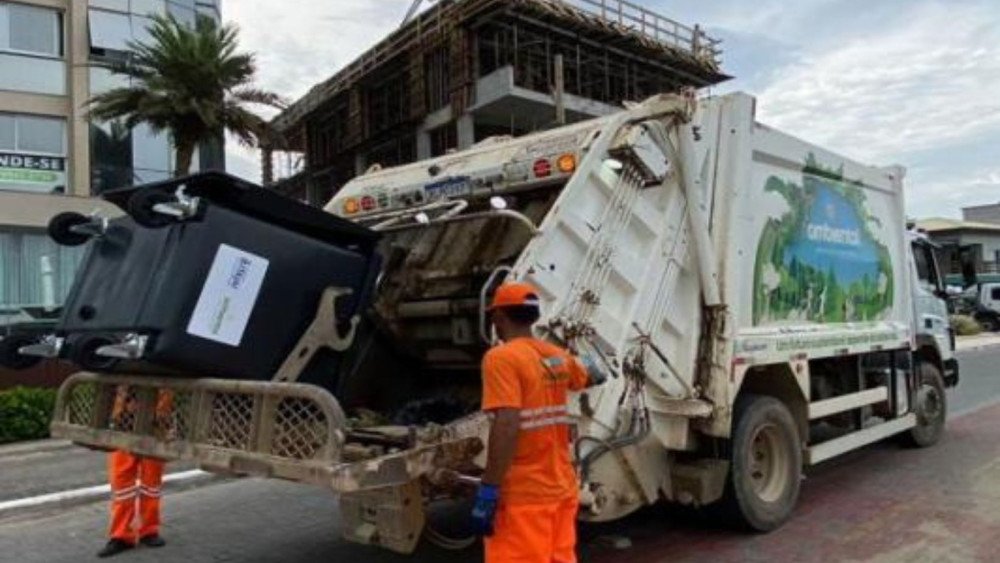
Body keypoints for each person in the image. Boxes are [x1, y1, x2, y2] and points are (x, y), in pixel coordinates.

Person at [471, 282, 606, 563]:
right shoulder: (556, 356)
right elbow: (590, 376)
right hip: (561, 487)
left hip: (524, 495)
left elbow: (507, 423)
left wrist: (490, 488)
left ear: (498, 318)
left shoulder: (501, 358)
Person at [98, 387, 173, 558]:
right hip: (122, 426)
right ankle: (121, 535)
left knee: (151, 483)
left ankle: (149, 530)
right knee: (122, 485)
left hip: (154, 427)